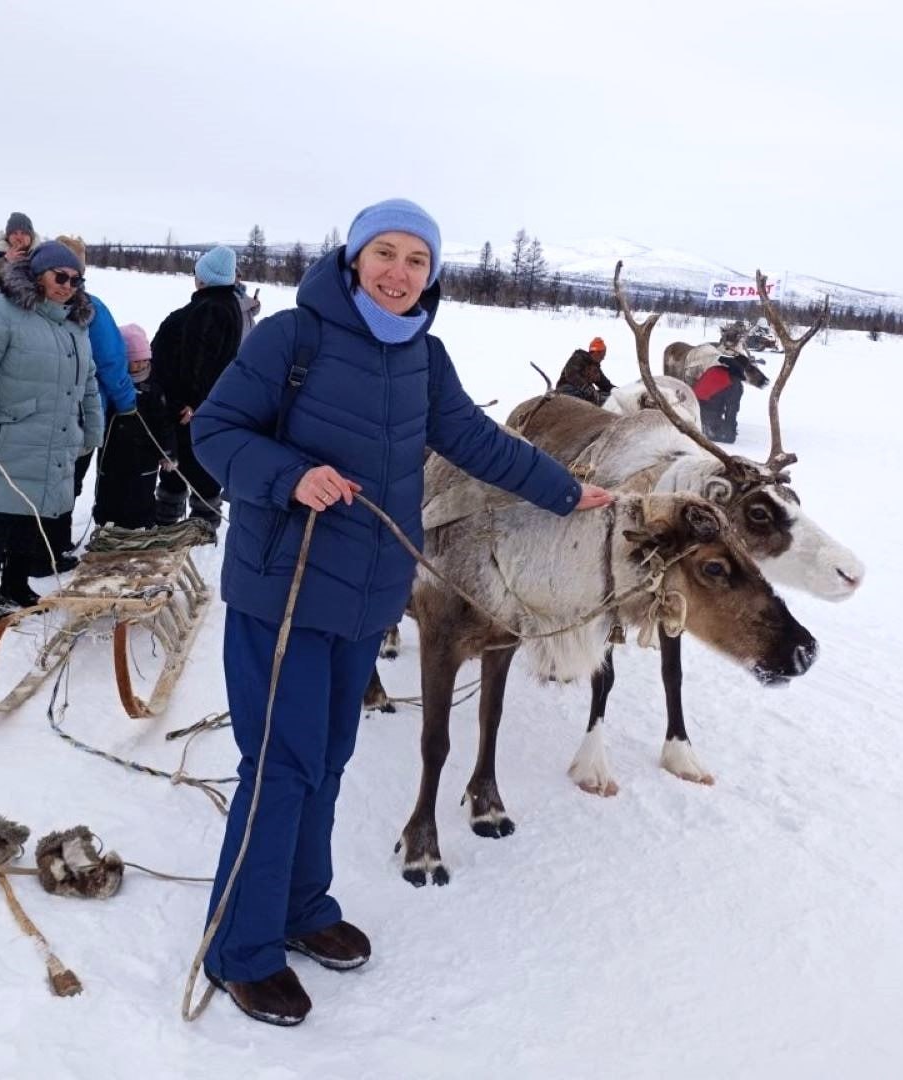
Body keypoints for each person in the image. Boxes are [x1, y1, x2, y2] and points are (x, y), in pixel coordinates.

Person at [190, 198, 612, 1027]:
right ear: (352, 260)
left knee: (330, 758)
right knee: (279, 766)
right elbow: (215, 431)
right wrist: (288, 475)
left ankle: (304, 907)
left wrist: (567, 491)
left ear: (432, 274)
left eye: (416, 260)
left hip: (368, 592)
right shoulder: (292, 340)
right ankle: (241, 948)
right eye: (383, 253)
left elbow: (479, 444)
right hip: (284, 586)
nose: (398, 272)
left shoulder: (425, 353)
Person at [0, 240, 103, 619]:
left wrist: (91, 427)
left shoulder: (73, 322)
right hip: (6, 435)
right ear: (38, 274)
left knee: (30, 512)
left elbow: (87, 380)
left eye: (75, 279)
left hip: (52, 436)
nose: (68, 285)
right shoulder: (0, 312)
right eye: (60, 276)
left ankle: (16, 585)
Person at [35, 235, 137, 572]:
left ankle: (37, 544)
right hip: (78, 412)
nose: (68, 282)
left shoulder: (28, 306)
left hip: (42, 411)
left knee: (43, 477)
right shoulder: (91, 309)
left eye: (74, 274)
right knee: (67, 479)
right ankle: (51, 546)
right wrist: (126, 402)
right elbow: (110, 361)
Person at [151, 245, 243, 527]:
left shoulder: (210, 309)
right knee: (190, 459)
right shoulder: (226, 304)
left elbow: (198, 361)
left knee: (184, 459)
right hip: (203, 402)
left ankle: (194, 521)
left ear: (206, 277)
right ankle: (192, 516)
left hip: (187, 407)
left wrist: (189, 401)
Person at [93, 323, 175, 529]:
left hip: (144, 458)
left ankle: (141, 531)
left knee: (140, 497)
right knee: (109, 493)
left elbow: (164, 422)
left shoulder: (153, 389)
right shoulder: (111, 385)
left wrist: (168, 451)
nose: (140, 366)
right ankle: (105, 527)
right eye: (134, 361)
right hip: (112, 453)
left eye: (144, 360)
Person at [693, 356, 746, 443]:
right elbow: (732, 410)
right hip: (706, 414)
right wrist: (730, 433)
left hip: (693, 409)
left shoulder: (716, 369)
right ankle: (708, 429)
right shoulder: (733, 382)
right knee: (727, 437)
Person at [555, 336, 614, 405]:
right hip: (567, 389)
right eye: (602, 355)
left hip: (584, 392)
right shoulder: (578, 358)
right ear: (596, 353)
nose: (603, 358)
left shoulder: (595, 368)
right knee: (589, 395)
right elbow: (571, 374)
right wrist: (586, 388)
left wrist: (618, 392)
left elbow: (605, 385)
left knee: (609, 396)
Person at [233, 269, 261, 344]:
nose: (239, 278)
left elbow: (251, 313)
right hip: (238, 335)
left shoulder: (241, 292)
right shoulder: (227, 291)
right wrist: (250, 303)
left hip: (249, 332)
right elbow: (235, 306)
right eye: (238, 275)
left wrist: (256, 305)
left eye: (240, 276)